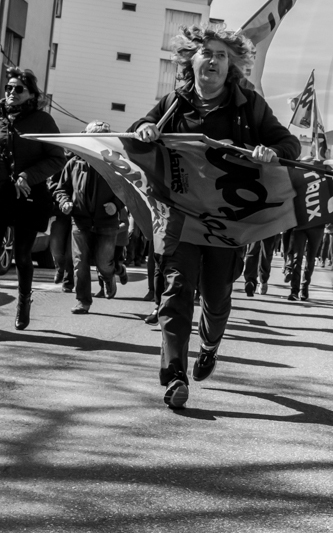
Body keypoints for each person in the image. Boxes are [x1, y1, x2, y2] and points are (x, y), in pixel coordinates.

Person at [132, 25, 299, 410]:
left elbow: (288, 143)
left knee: (216, 297)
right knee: (175, 293)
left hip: (229, 223)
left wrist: (269, 151)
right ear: (191, 60)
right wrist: (144, 129)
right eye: (206, 52)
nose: (213, 59)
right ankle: (175, 374)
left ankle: (209, 346)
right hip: (183, 218)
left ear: (232, 65)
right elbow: (142, 130)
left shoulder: (249, 105)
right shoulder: (174, 102)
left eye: (222, 55)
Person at [1, 68, 65, 330]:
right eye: (8, 87)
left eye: (18, 89)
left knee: (23, 255)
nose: (11, 93)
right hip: (1, 192)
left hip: (30, 195)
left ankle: (23, 301)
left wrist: (27, 175)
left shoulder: (43, 120)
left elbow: (57, 158)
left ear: (31, 94)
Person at [54, 121, 125, 314]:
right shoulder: (73, 163)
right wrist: (65, 202)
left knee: (104, 263)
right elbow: (61, 189)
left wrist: (116, 205)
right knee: (80, 263)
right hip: (80, 220)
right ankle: (83, 301)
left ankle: (109, 276)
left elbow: (127, 190)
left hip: (107, 221)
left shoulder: (114, 163)